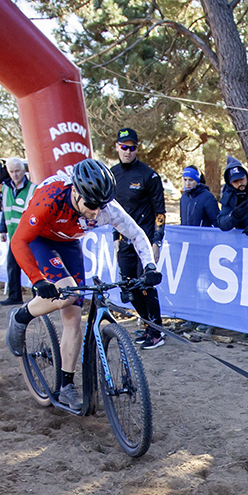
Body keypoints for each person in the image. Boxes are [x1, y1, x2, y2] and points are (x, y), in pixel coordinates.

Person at [4, 158, 162, 412]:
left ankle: (66, 385)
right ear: (76, 192)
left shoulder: (105, 206)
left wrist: (150, 266)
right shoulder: (49, 199)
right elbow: (18, 242)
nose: (97, 213)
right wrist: (38, 280)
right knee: (65, 292)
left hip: (69, 242)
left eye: (102, 206)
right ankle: (21, 316)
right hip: (41, 239)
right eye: (91, 206)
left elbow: (136, 234)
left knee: (73, 317)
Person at [110, 127, 167, 350]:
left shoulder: (148, 175)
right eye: (124, 147)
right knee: (129, 287)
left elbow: (160, 212)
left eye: (132, 148)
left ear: (137, 149)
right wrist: (115, 236)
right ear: (117, 147)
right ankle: (146, 324)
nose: (128, 151)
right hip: (124, 242)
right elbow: (110, 210)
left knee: (146, 285)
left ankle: (157, 331)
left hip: (143, 241)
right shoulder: (112, 174)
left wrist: (157, 241)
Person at [0, 157, 35, 306]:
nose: (15, 175)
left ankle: (37, 297)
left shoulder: (33, 188)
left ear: (24, 171)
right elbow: (4, 210)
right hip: (13, 236)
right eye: (12, 172)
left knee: (33, 267)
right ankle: (14, 296)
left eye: (18, 171)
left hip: (29, 236)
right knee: (12, 266)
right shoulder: (5, 188)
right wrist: (3, 230)